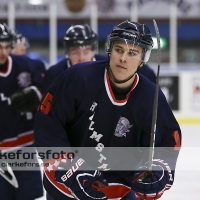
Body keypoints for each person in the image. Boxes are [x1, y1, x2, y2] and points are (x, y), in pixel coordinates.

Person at [34, 20, 182, 200]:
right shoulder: (78, 78)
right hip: (67, 191)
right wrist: (70, 168)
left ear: (143, 59)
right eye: (119, 50)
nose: (123, 58)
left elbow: (168, 142)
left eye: (133, 53)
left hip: (121, 193)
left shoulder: (151, 96)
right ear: (109, 50)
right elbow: (49, 125)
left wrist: (160, 169)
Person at [0, 23, 43, 199]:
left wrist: (37, 94)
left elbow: (49, 91)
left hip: (24, 149)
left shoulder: (27, 66)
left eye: (6, 46)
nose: (3, 51)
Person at [42, 23, 108, 93]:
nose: (81, 58)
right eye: (75, 53)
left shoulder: (108, 66)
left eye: (86, 52)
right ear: (68, 53)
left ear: (93, 51)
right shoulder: (54, 74)